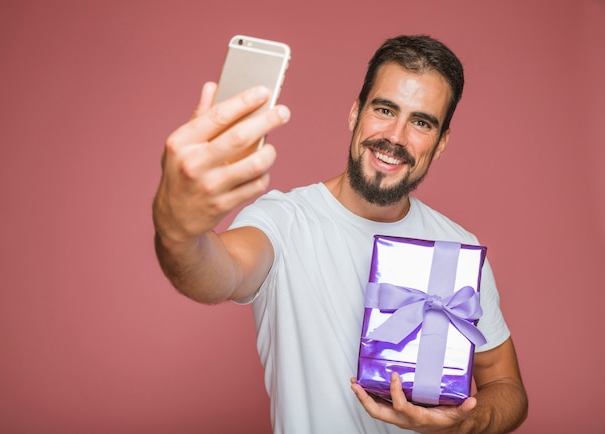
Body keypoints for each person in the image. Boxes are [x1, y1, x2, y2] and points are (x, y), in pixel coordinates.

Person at [152, 35, 528, 433]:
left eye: (421, 122)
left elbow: (507, 387)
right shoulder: (284, 221)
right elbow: (216, 273)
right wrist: (177, 229)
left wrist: (463, 427)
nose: (396, 137)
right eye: (384, 110)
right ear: (355, 113)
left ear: (440, 144)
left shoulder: (460, 250)